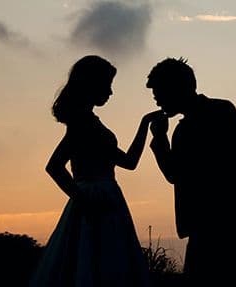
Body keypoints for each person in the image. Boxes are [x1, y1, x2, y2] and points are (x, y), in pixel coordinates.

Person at [30, 55, 160, 287]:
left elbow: (129, 162)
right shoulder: (82, 123)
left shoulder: (90, 122)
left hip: (106, 197)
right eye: (107, 85)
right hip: (96, 198)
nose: (110, 92)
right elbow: (54, 166)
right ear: (92, 85)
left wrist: (144, 124)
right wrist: (83, 199)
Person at [146, 58, 236, 284]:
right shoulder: (209, 116)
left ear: (176, 89)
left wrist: (159, 139)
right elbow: (175, 174)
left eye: (159, 92)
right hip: (215, 223)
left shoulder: (220, 112)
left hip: (223, 223)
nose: (156, 100)